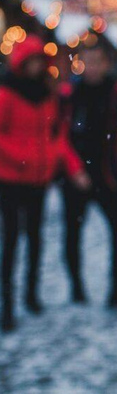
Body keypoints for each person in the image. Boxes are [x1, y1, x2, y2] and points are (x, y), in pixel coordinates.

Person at [0, 35, 89, 331]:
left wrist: (61, 164)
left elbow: (56, 136)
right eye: (33, 61)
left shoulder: (47, 95)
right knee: (11, 240)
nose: (38, 66)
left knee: (36, 239)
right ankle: (8, 303)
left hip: (39, 179)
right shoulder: (7, 94)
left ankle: (31, 294)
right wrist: (22, 158)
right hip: (11, 179)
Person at [60, 40, 117, 307]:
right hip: (76, 178)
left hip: (108, 175)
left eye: (97, 62)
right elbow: (61, 135)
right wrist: (74, 170)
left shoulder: (116, 91)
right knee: (72, 233)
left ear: (106, 63)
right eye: (87, 61)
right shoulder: (70, 93)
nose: (92, 67)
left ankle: (116, 289)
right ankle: (77, 287)